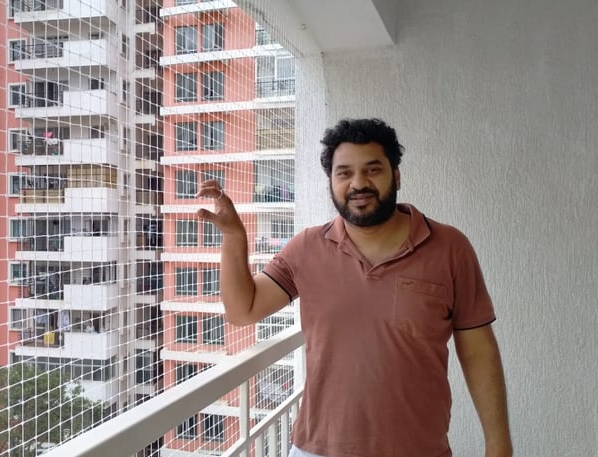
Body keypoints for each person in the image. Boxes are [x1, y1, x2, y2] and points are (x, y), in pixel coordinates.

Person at [195, 118, 512, 457]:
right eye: (344, 173)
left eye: (372, 170)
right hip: (318, 449)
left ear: (397, 175)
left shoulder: (449, 247)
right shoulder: (306, 248)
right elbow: (244, 309)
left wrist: (498, 444)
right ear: (331, 182)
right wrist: (233, 237)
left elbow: (478, 351)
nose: (359, 183)